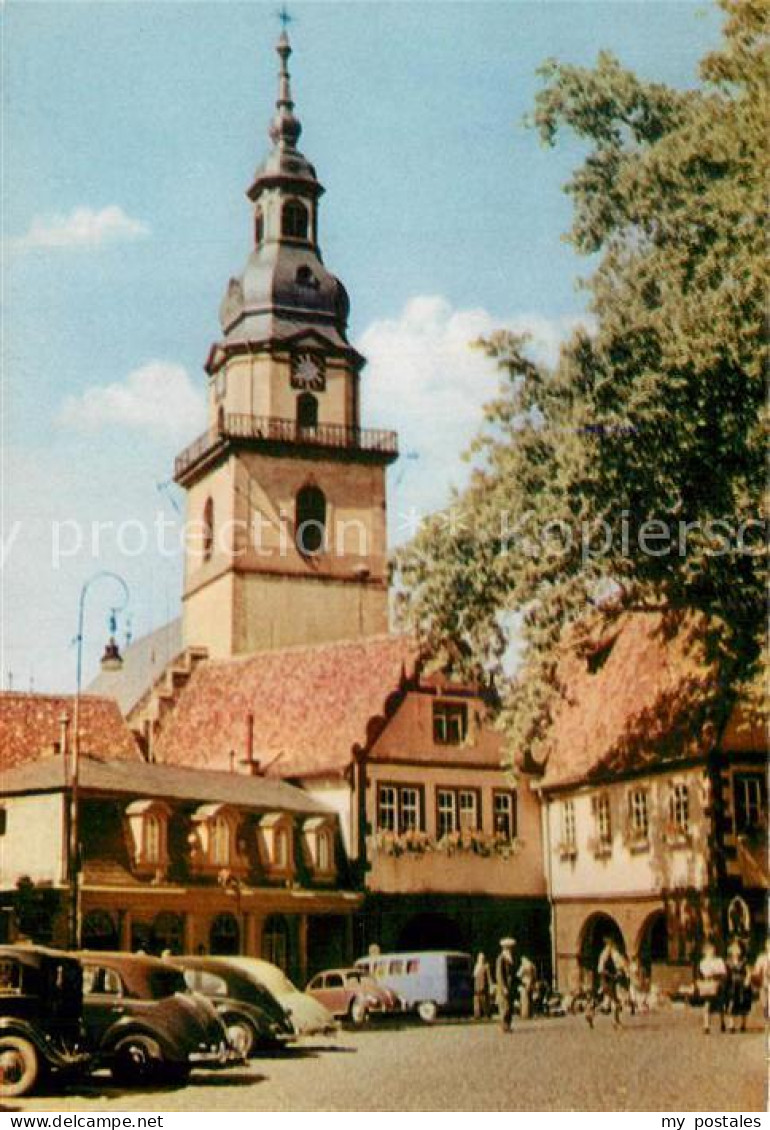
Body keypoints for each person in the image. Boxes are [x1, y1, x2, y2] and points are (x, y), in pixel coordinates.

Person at [586, 935, 628, 1028]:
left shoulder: (606, 953)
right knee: (616, 1003)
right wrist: (613, 975)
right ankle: (616, 1022)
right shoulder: (608, 953)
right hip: (607, 982)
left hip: (607, 982)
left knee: (608, 1005)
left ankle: (592, 1015)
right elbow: (602, 970)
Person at [723, 937, 752, 1033]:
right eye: (733, 948)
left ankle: (743, 1024)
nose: (735, 951)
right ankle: (731, 1025)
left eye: (737, 948)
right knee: (730, 1003)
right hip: (731, 984)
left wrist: (747, 979)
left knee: (743, 1003)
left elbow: (748, 971)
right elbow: (724, 972)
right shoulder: (727, 961)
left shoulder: (744, 961)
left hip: (741, 984)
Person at [698, 939, 726, 1034]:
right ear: (704, 951)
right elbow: (700, 974)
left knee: (720, 1005)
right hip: (707, 985)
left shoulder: (719, 961)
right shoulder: (702, 962)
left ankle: (722, 1022)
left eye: (712, 949)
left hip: (717, 984)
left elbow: (723, 972)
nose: (711, 951)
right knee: (707, 1005)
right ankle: (706, 1025)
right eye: (709, 950)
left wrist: (716, 974)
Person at [495, 937, 518, 1032]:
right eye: (509, 948)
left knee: (509, 1006)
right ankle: (504, 1026)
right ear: (505, 948)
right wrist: (503, 986)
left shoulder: (509, 958)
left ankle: (508, 1025)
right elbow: (499, 974)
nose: (511, 950)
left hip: (510, 985)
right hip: (503, 987)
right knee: (505, 1006)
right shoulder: (501, 959)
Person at [752, 936, 770, 1021]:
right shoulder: (761, 957)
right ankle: (766, 1016)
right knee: (764, 1002)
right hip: (764, 982)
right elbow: (757, 970)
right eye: (768, 944)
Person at [473, 952, 492, 1020]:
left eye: (483, 958)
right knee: (477, 1001)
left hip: (484, 986)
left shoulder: (486, 966)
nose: (481, 959)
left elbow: (489, 977)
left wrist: (491, 985)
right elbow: (474, 976)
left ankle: (487, 1015)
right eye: (480, 958)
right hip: (477, 986)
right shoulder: (476, 966)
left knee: (485, 1002)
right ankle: (477, 1015)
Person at [517, 953, 536, 1019]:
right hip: (531, 983)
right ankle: (530, 1013)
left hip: (525, 983)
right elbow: (535, 975)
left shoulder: (524, 966)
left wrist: (522, 978)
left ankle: (525, 1014)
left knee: (524, 999)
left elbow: (518, 974)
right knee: (530, 999)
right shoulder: (532, 965)